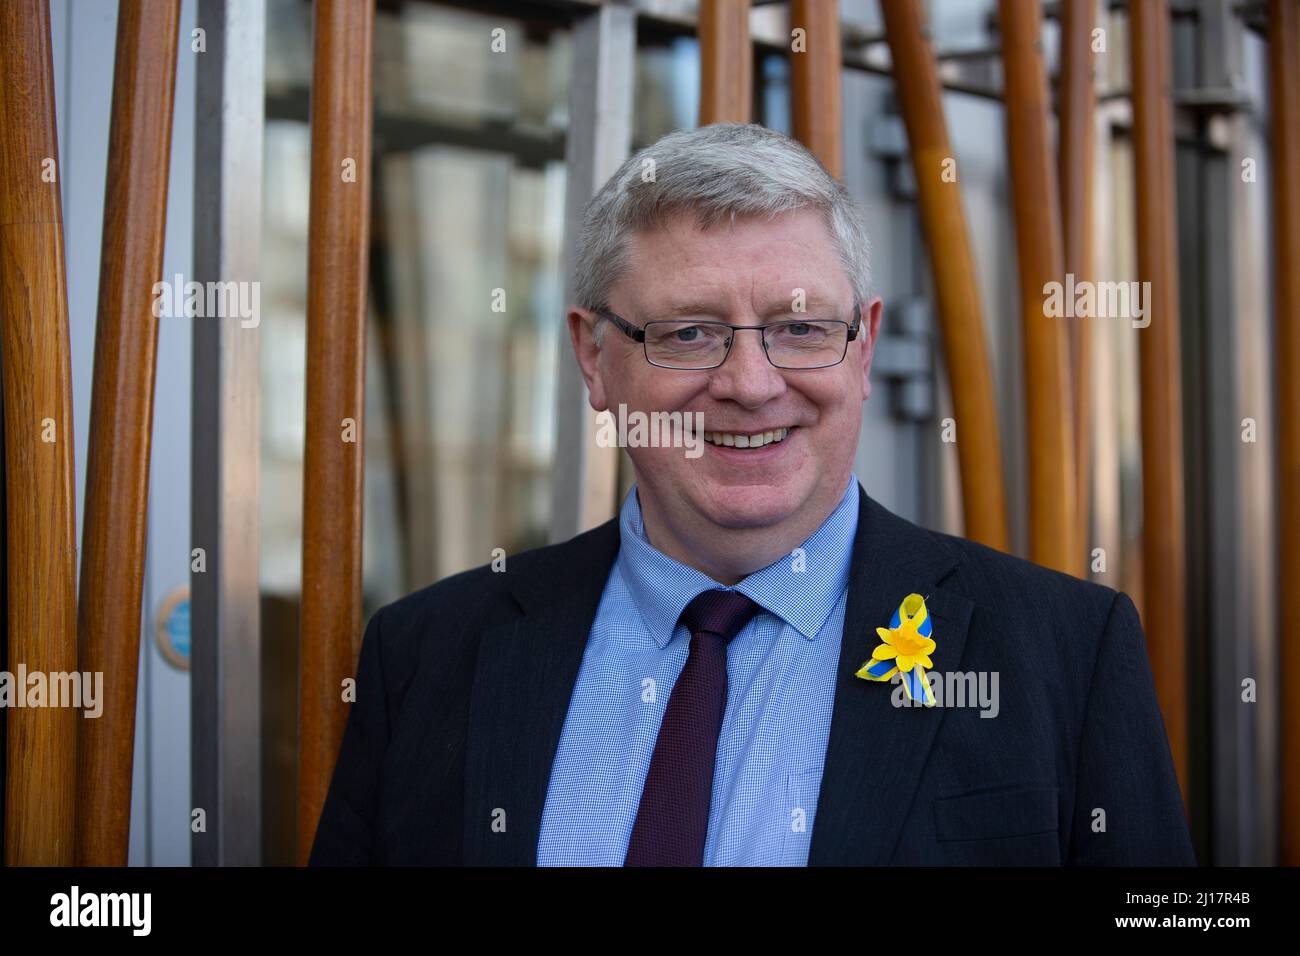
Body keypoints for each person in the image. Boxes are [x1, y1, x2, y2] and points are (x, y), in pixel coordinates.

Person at [309, 123, 1194, 866]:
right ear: (592, 356)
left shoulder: (1065, 656)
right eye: (689, 333)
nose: (750, 384)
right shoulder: (428, 657)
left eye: (800, 328)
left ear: (864, 346)